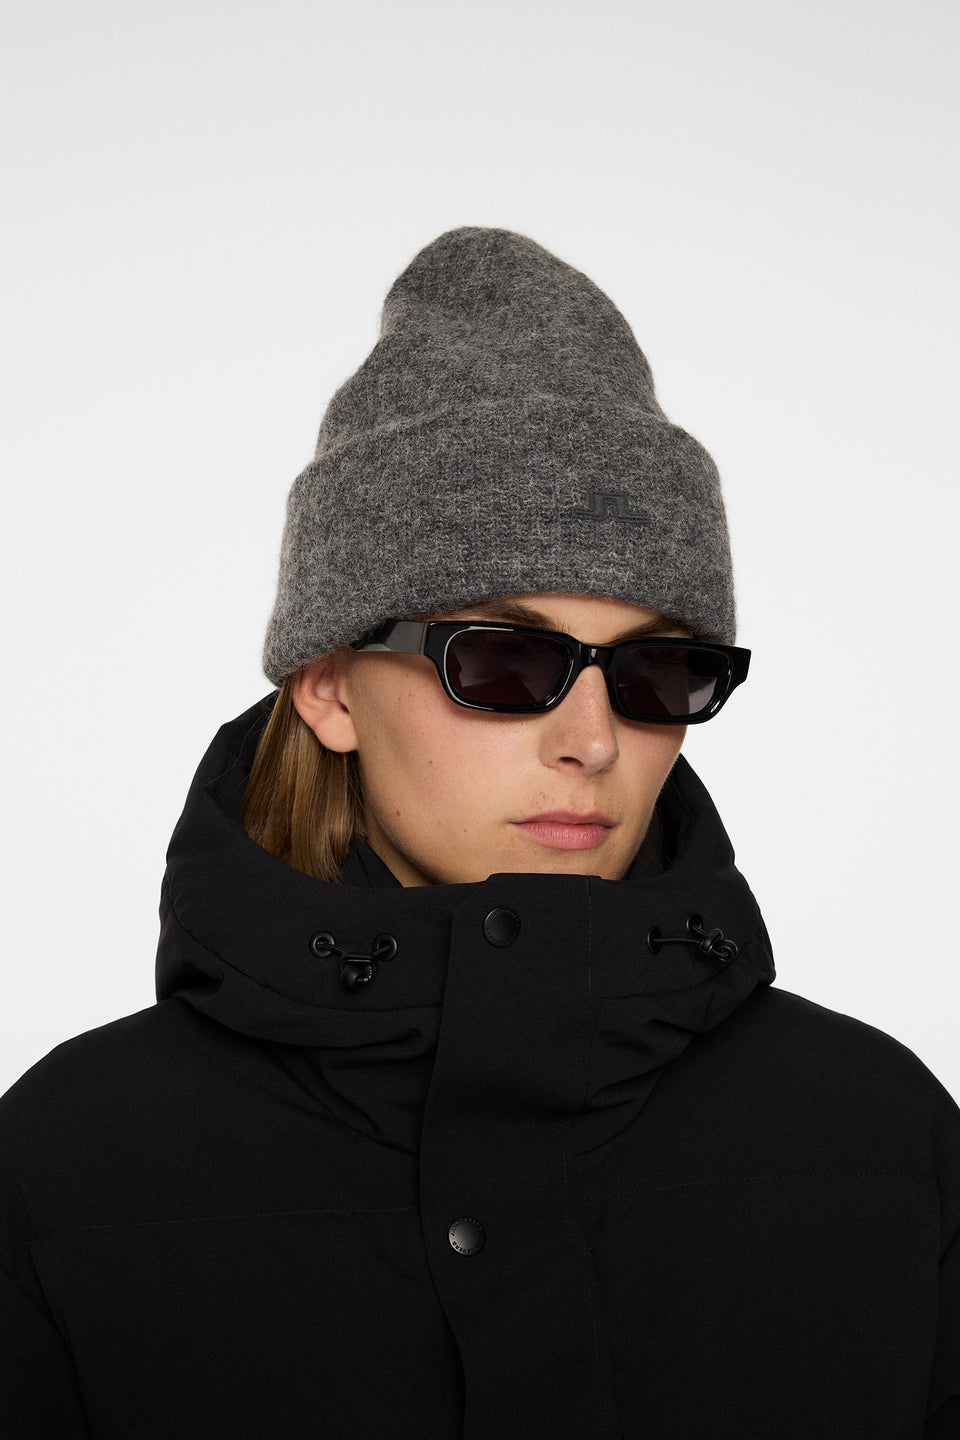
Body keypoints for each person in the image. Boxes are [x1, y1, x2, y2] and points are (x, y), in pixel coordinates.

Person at [0, 227, 957, 1439]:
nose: (592, 741)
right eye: (505, 662)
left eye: (658, 672)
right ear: (329, 687)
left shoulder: (880, 1134)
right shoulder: (76, 1162)